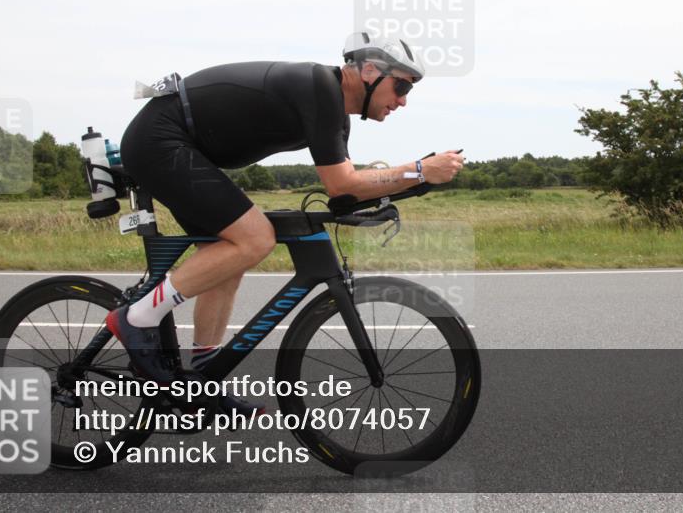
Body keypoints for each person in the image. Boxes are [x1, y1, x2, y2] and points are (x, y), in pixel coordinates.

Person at [106, 32, 464, 385]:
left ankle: (202, 377)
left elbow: (347, 188)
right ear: (369, 71)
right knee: (255, 238)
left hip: (180, 145)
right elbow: (343, 184)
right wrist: (419, 171)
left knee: (227, 258)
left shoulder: (335, 114)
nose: (403, 101)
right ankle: (137, 318)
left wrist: (414, 181)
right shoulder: (319, 88)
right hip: (160, 139)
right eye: (403, 87)